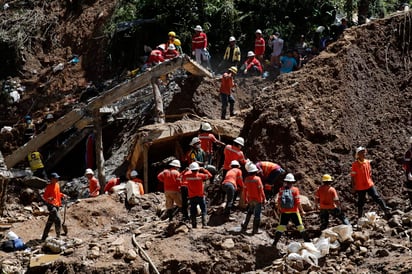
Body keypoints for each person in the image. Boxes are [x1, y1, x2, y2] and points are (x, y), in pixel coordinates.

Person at [351, 146, 391, 218]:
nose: (364, 154)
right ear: (358, 155)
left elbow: (370, 172)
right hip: (360, 187)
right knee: (361, 203)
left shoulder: (367, 162)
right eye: (362, 153)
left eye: (364, 152)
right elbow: (353, 176)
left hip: (369, 184)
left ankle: (385, 209)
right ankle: (360, 217)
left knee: (376, 197)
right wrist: (353, 186)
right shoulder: (355, 165)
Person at [272, 173, 310, 248]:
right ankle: (308, 242)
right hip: (294, 212)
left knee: (281, 227)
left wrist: (280, 209)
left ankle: (274, 243)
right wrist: (302, 211)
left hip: (284, 212)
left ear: (286, 181)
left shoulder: (281, 189)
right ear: (292, 182)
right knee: (300, 227)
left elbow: (279, 201)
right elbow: (298, 202)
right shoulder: (295, 190)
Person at [181, 162, 212, 228]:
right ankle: (204, 224)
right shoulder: (201, 175)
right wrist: (204, 169)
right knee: (203, 210)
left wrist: (184, 171)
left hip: (192, 196)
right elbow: (210, 175)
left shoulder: (187, 176)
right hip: (200, 195)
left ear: (191, 169)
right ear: (197, 169)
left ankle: (194, 225)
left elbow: (180, 177)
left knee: (193, 211)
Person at [241, 163, 265, 234]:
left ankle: (245, 225)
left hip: (250, 200)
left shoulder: (246, 180)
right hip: (258, 200)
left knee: (250, 212)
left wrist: (245, 199)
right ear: (255, 172)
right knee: (257, 215)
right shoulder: (257, 179)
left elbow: (245, 190)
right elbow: (261, 190)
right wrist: (264, 198)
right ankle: (255, 230)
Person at [41, 172, 66, 240]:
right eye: (56, 178)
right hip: (51, 205)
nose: (57, 179)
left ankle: (44, 236)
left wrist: (62, 195)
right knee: (58, 220)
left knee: (50, 221)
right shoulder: (49, 186)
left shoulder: (57, 185)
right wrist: (48, 198)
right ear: (52, 179)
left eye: (57, 178)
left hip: (57, 204)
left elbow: (57, 193)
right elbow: (45, 196)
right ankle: (58, 235)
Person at [403, 137, 412, 206]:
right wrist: (409, 173)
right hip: (411, 173)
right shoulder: (409, 153)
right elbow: (407, 164)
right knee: (410, 189)